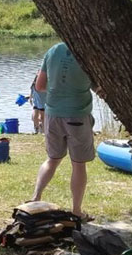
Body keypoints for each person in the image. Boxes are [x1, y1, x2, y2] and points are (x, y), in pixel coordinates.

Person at [30, 42, 95, 222]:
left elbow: (40, 86)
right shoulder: (88, 50)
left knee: (52, 159)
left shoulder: (53, 50)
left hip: (52, 114)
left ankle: (35, 198)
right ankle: (76, 211)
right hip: (77, 114)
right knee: (78, 164)